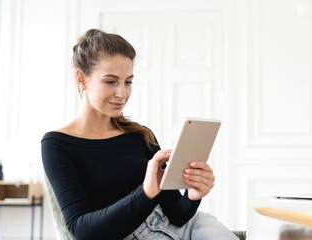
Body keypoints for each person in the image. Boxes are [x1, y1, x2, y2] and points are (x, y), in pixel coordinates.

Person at [41, 29, 238, 240]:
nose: (122, 93)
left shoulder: (140, 136)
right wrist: (145, 194)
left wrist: (193, 195)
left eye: (128, 82)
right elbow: (82, 231)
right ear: (82, 79)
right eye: (110, 81)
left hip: (188, 226)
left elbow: (178, 214)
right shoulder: (57, 144)